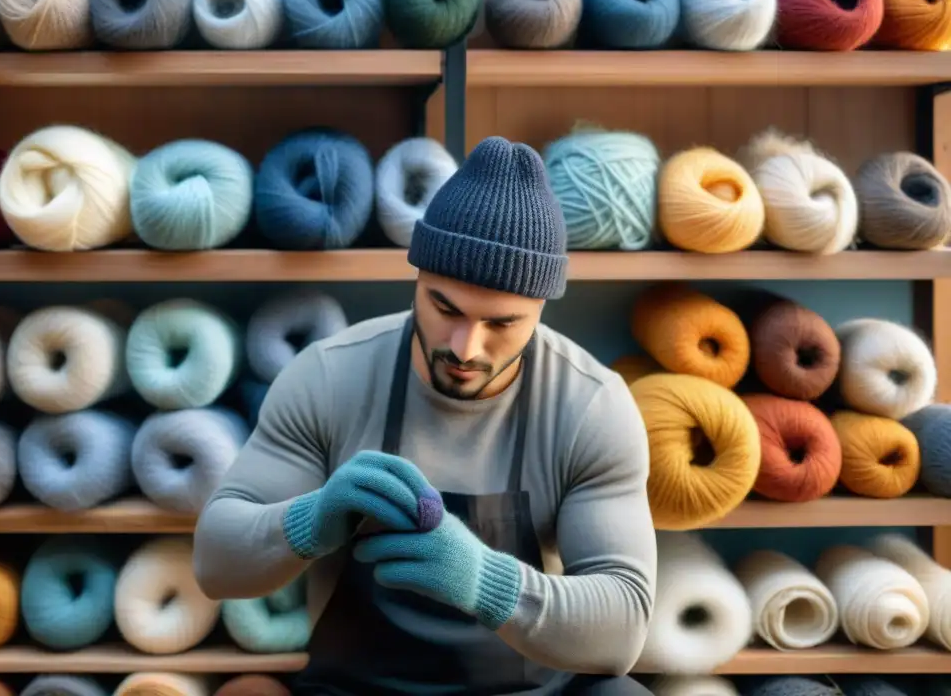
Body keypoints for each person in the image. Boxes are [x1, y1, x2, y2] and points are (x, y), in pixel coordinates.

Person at [193, 136, 658, 696]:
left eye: (502, 323)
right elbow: (215, 563)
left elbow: (624, 629)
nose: (465, 347)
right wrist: (310, 520)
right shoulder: (330, 375)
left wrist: (484, 581)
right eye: (445, 308)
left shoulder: (589, 404)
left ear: (540, 309)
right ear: (417, 278)